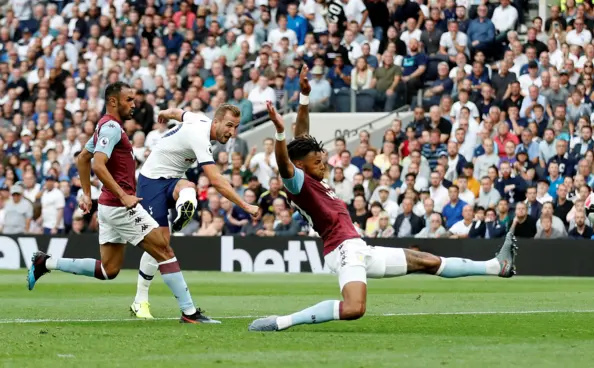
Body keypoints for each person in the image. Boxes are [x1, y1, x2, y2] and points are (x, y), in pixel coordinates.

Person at [247, 71, 518, 332]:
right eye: (317, 162)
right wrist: (280, 133)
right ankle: (281, 322)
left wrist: (304, 98)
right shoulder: (298, 183)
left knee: (427, 261)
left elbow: (301, 137)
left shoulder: (312, 177)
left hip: (359, 248)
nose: (323, 165)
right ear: (300, 165)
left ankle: (495, 266)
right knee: (354, 308)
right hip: (343, 250)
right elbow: (284, 162)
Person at [26, 82, 215, 324]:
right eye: (129, 100)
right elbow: (96, 164)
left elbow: (83, 158)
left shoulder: (104, 126)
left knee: (109, 269)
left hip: (108, 206)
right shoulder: (112, 128)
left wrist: (86, 193)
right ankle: (189, 313)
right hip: (120, 206)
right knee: (164, 249)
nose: (134, 104)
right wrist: (123, 196)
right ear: (113, 101)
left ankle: (46, 262)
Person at [129, 103, 259, 319]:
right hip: (151, 181)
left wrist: (164, 113)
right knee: (160, 244)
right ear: (215, 122)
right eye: (229, 125)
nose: (232, 132)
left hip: (172, 179)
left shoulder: (198, 119)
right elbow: (216, 180)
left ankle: (182, 214)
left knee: (189, 189)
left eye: (236, 127)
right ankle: (140, 300)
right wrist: (245, 205)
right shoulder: (200, 136)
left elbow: (178, 113)